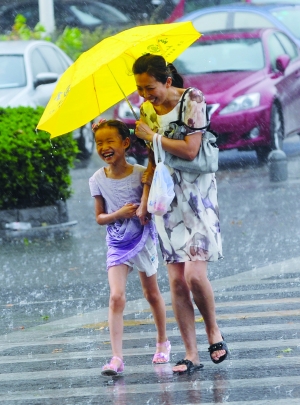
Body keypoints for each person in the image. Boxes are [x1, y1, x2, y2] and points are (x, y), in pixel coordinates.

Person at [132, 53, 229, 373]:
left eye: (150, 88)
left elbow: (190, 148)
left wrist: (154, 136)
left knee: (194, 275)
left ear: (167, 81)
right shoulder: (146, 110)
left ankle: (213, 329)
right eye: (139, 89)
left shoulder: (193, 99)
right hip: (166, 201)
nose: (145, 96)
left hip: (197, 197)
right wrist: (145, 198)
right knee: (176, 282)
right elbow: (152, 160)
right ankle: (191, 354)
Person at [89, 119, 170, 376]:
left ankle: (162, 342)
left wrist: (147, 194)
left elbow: (155, 204)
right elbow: (100, 218)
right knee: (116, 297)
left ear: (125, 143)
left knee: (152, 294)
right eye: (99, 143)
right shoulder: (96, 179)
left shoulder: (140, 174)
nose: (104, 147)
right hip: (116, 241)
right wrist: (119, 214)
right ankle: (116, 357)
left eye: (110, 141)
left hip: (142, 238)